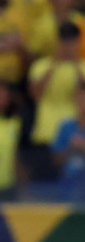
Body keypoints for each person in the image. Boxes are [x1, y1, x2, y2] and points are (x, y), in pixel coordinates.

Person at [28, 22, 85, 172]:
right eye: (65, 41)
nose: (68, 45)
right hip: (46, 133)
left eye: (72, 41)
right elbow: (35, 94)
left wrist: (75, 63)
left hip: (74, 136)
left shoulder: (83, 67)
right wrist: (55, 63)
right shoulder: (41, 65)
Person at [52, 85, 85, 201]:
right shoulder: (66, 126)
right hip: (69, 186)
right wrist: (70, 149)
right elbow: (56, 159)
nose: (83, 103)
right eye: (80, 99)